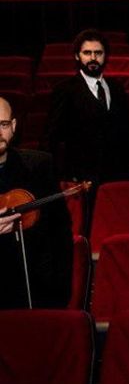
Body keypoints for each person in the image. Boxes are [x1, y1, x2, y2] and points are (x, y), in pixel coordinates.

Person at [0, 96, 73, 308]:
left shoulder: (39, 166)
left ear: (13, 126)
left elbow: (60, 234)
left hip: (32, 287)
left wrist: (57, 294)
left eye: (3, 124)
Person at [45, 29, 129, 186]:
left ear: (105, 56)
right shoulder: (64, 90)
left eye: (98, 53)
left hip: (117, 174)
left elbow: (127, 132)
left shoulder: (117, 88)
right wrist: (57, 175)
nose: (93, 58)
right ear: (77, 56)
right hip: (81, 178)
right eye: (87, 53)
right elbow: (52, 136)